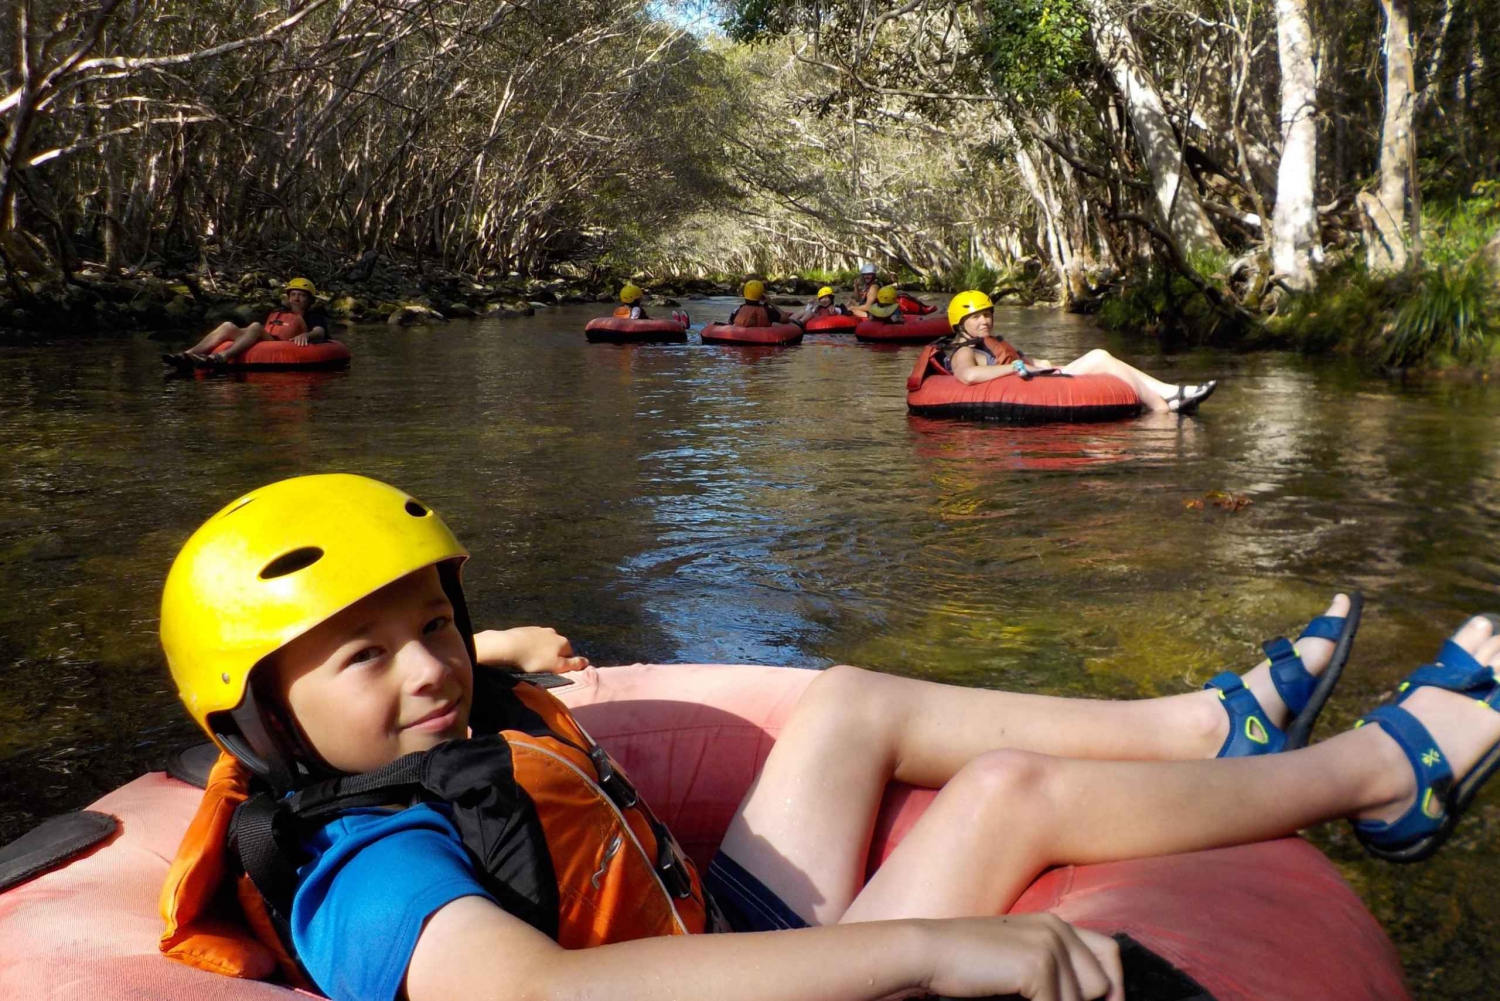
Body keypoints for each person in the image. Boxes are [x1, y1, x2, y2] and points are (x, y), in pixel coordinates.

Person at [157, 473, 1500, 1001]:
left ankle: (1210, 725)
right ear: (263, 714)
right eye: (363, 656)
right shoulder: (367, 873)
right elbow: (539, 994)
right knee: (1007, 796)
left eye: (435, 624)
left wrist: (496, 649)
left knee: (850, 699)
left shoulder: (421, 716)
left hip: (699, 930)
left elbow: (443, 677)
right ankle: (1385, 776)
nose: (425, 670)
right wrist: (926, 942)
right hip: (695, 988)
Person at [942, 291, 1218, 413]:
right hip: (1032, 385)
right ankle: (1163, 406)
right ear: (960, 323)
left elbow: (1018, 360)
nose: (985, 321)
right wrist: (1014, 368)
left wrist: (1035, 362)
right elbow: (968, 375)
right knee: (1100, 357)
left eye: (987, 315)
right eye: (977, 317)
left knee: (1101, 358)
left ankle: (1170, 392)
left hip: (1039, 377)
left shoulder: (989, 342)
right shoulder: (963, 350)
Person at [171, 278, 333, 364]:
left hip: (283, 345)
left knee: (255, 326)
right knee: (228, 326)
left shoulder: (314, 315)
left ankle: (223, 357)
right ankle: (187, 354)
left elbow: (319, 331)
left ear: (310, 299)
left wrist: (307, 336)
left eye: (302, 295)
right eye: (293, 294)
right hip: (269, 340)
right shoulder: (281, 313)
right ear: (289, 297)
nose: (296, 298)